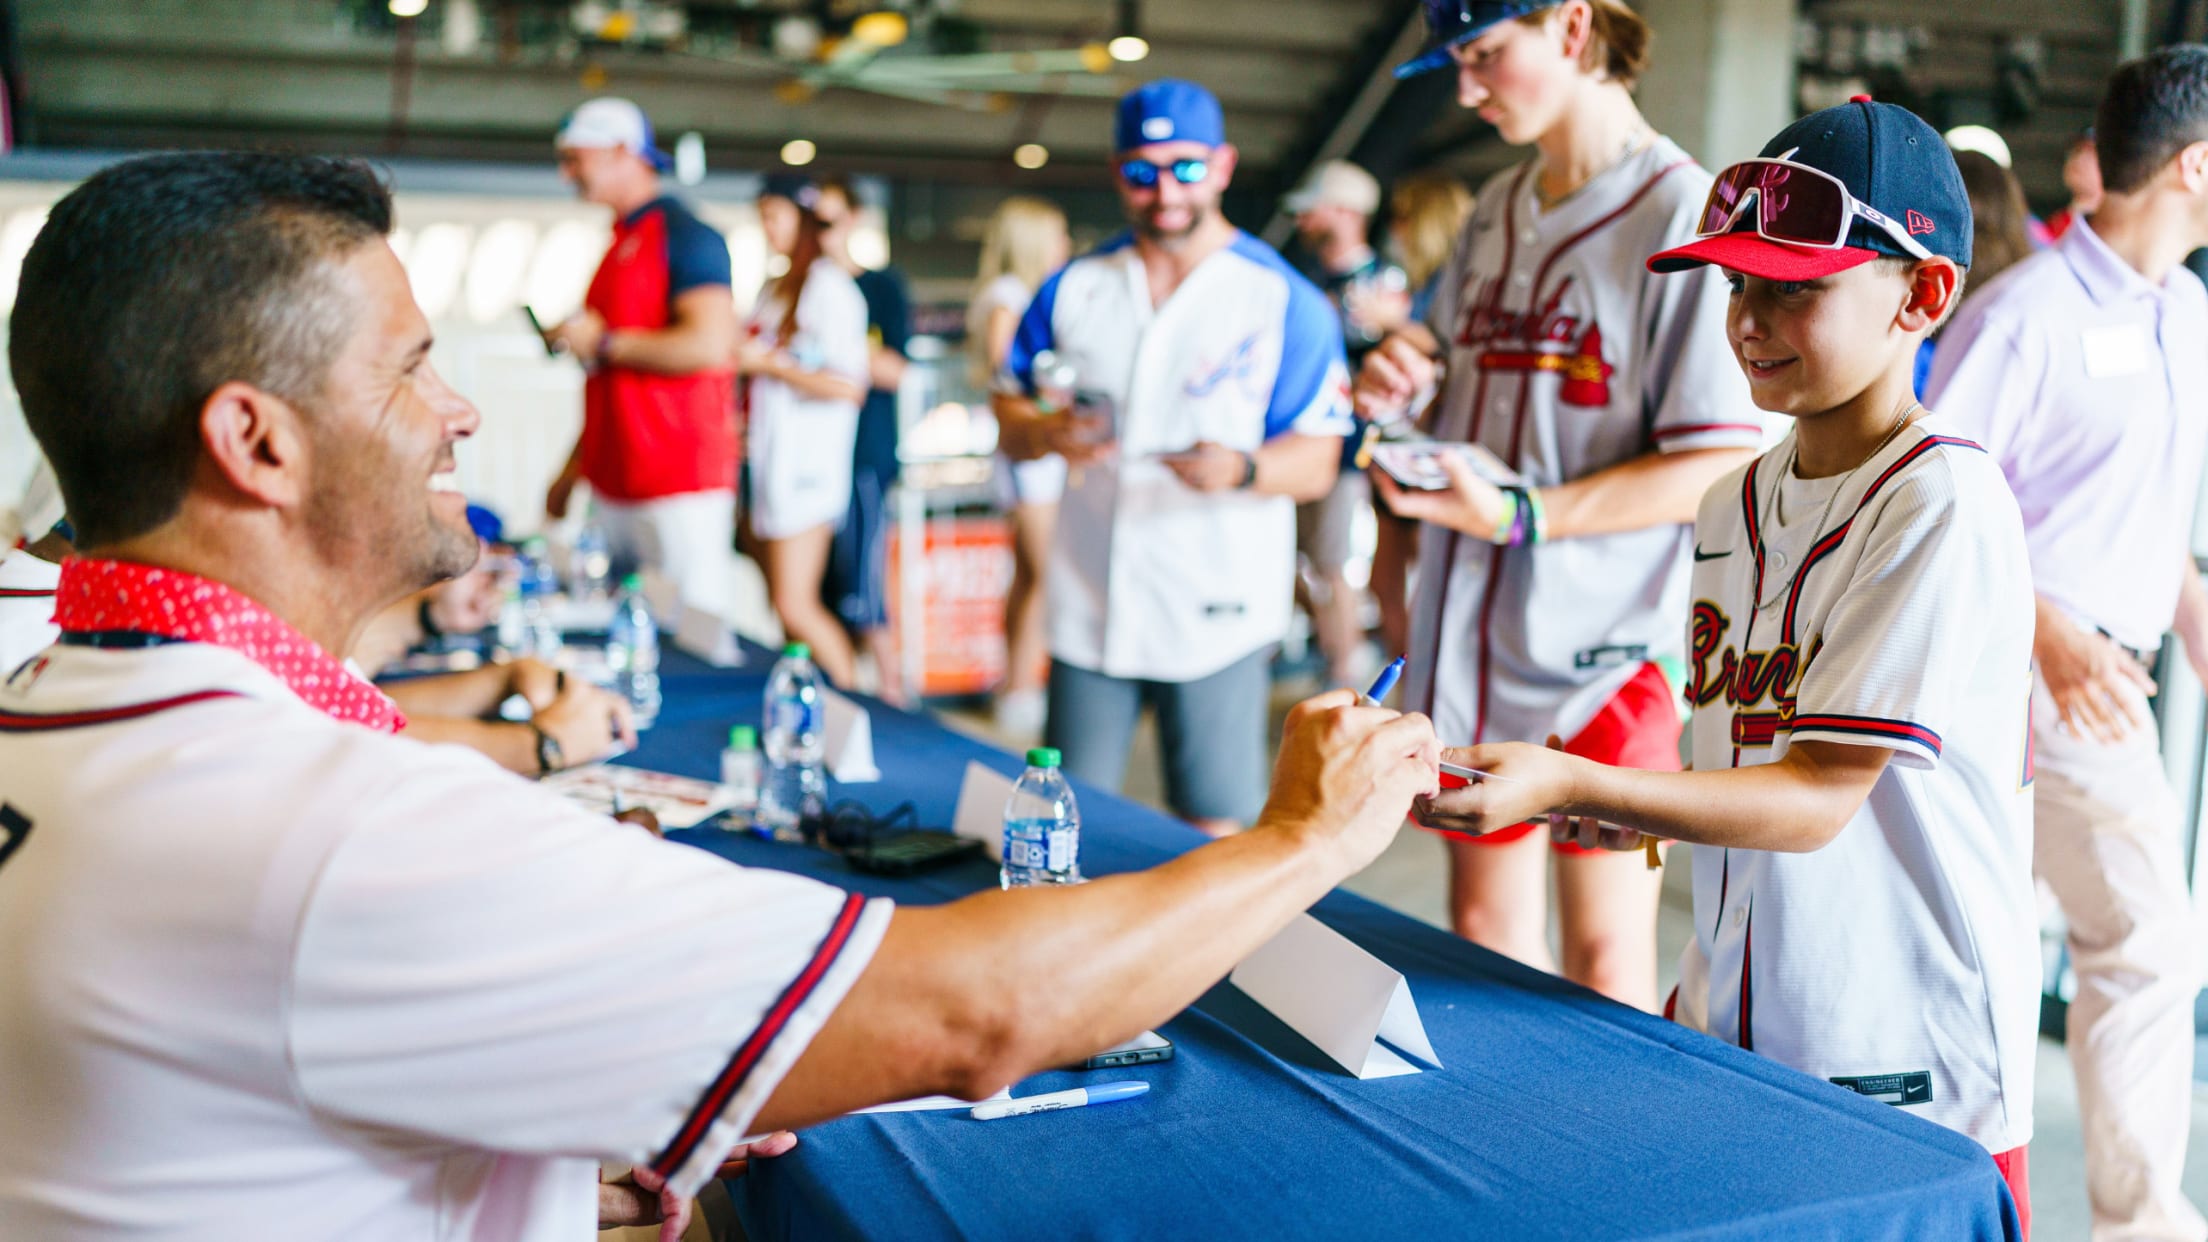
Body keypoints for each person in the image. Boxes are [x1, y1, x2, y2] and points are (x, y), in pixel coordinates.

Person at [0, 149, 1439, 1240]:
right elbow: (982, 1013)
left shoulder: (61, 721)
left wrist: (532, 1175)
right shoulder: (341, 833)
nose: (460, 410)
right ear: (254, 441)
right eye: (414, 368)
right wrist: (1302, 837)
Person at [1426, 97, 2039, 1228]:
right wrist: (1652, 811)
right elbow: (1751, 754)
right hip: (1736, 1012)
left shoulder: (1941, 498)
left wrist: (1571, 779)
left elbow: (1816, 797)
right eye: (1737, 285)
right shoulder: (1731, 500)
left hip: (1904, 1050)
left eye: (1794, 287)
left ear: (1923, 293)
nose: (1750, 320)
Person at [1355, 0, 1764, 1008]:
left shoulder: (1683, 210)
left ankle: (1601, 1169)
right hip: (1476, 630)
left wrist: (1523, 514)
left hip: (1609, 645)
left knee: (1603, 962)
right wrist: (1403, 369)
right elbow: (1446, 356)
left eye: (1488, 55)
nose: (1467, 89)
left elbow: (1711, 464)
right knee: (1484, 938)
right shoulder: (1498, 203)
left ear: (1573, 29)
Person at [1927, 47, 2208, 1242]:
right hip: (2032, 684)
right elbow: (1930, 505)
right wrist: (2050, 633)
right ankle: (2142, 1225)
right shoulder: (2025, 314)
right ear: (2196, 166)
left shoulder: (2188, 314)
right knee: (2147, 946)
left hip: (2113, 678)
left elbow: (2141, 513)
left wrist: (2191, 621)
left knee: (2081, 949)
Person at [996, 79, 1354, 836]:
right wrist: (1043, 433)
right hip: (1090, 602)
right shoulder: (1075, 288)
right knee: (1059, 820)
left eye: (1186, 168)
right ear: (1117, 170)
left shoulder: (1280, 299)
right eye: (1142, 171)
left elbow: (1319, 460)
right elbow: (1010, 405)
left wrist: (1244, 469)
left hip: (1215, 607)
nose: (1165, 191)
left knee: (1214, 827)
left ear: (1223, 165)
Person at [541, 98, 739, 600]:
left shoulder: (686, 235)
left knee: (691, 635)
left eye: (575, 159)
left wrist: (605, 342)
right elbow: (609, 381)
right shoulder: (617, 244)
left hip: (676, 480)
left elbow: (711, 344)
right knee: (631, 632)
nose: (567, 175)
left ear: (619, 152)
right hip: (617, 480)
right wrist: (573, 470)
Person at [737, 174, 871, 689]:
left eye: (775, 217)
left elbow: (847, 385)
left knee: (797, 603)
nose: (768, 230)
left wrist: (769, 365)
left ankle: (858, 707)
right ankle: (811, 700)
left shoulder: (831, 289)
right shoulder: (779, 287)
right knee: (783, 606)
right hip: (772, 462)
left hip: (808, 470)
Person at [1285, 159, 1407, 689]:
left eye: (1316, 208)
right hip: (1298, 446)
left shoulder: (1384, 283)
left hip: (1354, 453)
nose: (1305, 219)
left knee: (1337, 565)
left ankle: (1347, 675)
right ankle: (1338, 657)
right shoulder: (1304, 282)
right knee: (1297, 562)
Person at [968, 195, 1073, 737]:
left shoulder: (1023, 296)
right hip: (1030, 456)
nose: (1066, 247)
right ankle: (1026, 686)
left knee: (1032, 574)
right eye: (1057, 236)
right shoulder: (1009, 299)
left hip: (1038, 452)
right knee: (1045, 570)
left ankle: (1018, 684)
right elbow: (1007, 383)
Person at [815, 176, 916, 706]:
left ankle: (892, 693)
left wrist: (827, 351)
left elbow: (895, 368)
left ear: (853, 219)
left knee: (865, 587)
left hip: (863, 457)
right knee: (816, 590)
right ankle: (840, 693)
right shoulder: (794, 292)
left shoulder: (879, 288)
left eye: (827, 221)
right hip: (808, 463)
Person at [1369, 172, 1478, 660]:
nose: (1397, 230)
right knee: (1389, 580)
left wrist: (1393, 326)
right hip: (1406, 444)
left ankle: (1416, 686)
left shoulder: (1454, 286)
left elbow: (1449, 356)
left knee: (1406, 580)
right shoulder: (1428, 284)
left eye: (1404, 219)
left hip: (1429, 449)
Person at [2044, 128, 2104, 243]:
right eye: (2076, 151)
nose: (2079, 160)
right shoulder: (2055, 223)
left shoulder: (2113, 226)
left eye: (2090, 154)